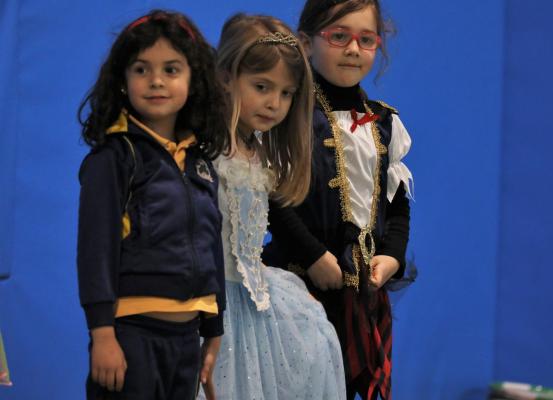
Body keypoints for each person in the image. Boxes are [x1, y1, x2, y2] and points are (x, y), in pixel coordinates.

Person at [263, 1, 414, 399]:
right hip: (297, 282)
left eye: (366, 40)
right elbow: (270, 196)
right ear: (306, 42)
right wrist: (312, 255)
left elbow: (396, 201)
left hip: (362, 293)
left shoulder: (384, 122)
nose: (353, 49)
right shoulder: (287, 114)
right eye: (338, 36)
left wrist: (394, 254)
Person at [76, 10, 229, 400]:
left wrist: (213, 330)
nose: (156, 81)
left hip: (187, 338)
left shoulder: (200, 163)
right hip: (130, 337)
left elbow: (212, 244)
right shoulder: (113, 159)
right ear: (123, 82)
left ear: (193, 82)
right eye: (141, 69)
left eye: (172, 69)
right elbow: (95, 252)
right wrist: (103, 335)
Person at [197, 13, 345, 400]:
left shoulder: (258, 151)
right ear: (227, 76)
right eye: (261, 86)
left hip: (254, 301)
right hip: (213, 304)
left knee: (315, 336)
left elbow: (247, 237)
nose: (273, 103)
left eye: (285, 93)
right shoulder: (206, 150)